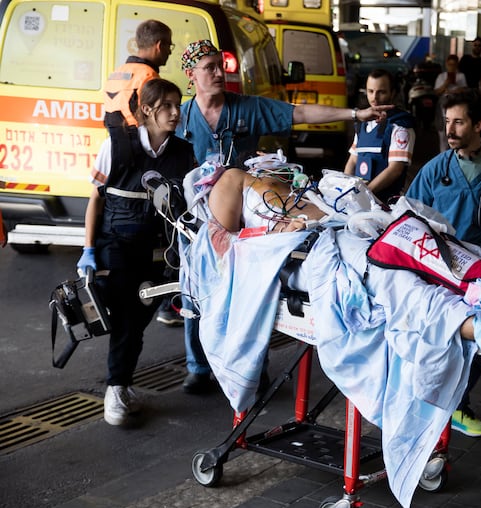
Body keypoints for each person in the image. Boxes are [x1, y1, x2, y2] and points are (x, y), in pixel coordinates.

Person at [176, 40, 392, 394]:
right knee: (194, 283)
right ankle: (199, 365)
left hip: (250, 215)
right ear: (191, 76)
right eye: (209, 68)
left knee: (256, 289)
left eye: (220, 65)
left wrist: (356, 115)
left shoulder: (247, 108)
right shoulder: (182, 119)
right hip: (202, 215)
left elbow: (301, 113)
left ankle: (251, 365)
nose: (219, 73)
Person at [406, 89, 481, 438]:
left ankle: (459, 404)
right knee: (439, 339)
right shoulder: (435, 170)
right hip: (437, 271)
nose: (450, 130)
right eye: (447, 122)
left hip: (480, 271)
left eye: (458, 122)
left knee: (478, 341)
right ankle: (432, 404)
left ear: (479, 125)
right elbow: (411, 217)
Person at [78, 78, 196, 426]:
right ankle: (115, 390)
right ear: (147, 109)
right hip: (116, 246)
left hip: (157, 253)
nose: (176, 113)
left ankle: (122, 384)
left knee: (139, 319)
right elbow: (95, 200)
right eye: (168, 106)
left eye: (178, 105)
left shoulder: (183, 154)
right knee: (127, 317)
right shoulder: (116, 147)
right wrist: (88, 250)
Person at [100, 19, 182, 327]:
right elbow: (149, 117)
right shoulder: (148, 76)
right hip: (142, 158)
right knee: (168, 234)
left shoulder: (118, 72)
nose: (169, 53)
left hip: (119, 155)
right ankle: (166, 302)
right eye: (169, 47)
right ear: (159, 45)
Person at [343, 69, 415, 203]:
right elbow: (352, 161)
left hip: (386, 204)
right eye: (370, 91)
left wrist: (365, 194)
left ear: (393, 93)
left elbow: (395, 169)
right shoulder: (362, 124)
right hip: (359, 201)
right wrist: (345, 191)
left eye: (381, 92)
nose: (374, 97)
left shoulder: (400, 126)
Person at [434, 54, 468, 152]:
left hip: (456, 106)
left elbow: (465, 90)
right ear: (446, 65)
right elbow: (436, 92)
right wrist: (446, 83)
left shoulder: (461, 76)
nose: (452, 67)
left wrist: (456, 89)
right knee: (442, 134)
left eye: (454, 65)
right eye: (450, 64)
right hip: (443, 107)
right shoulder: (441, 77)